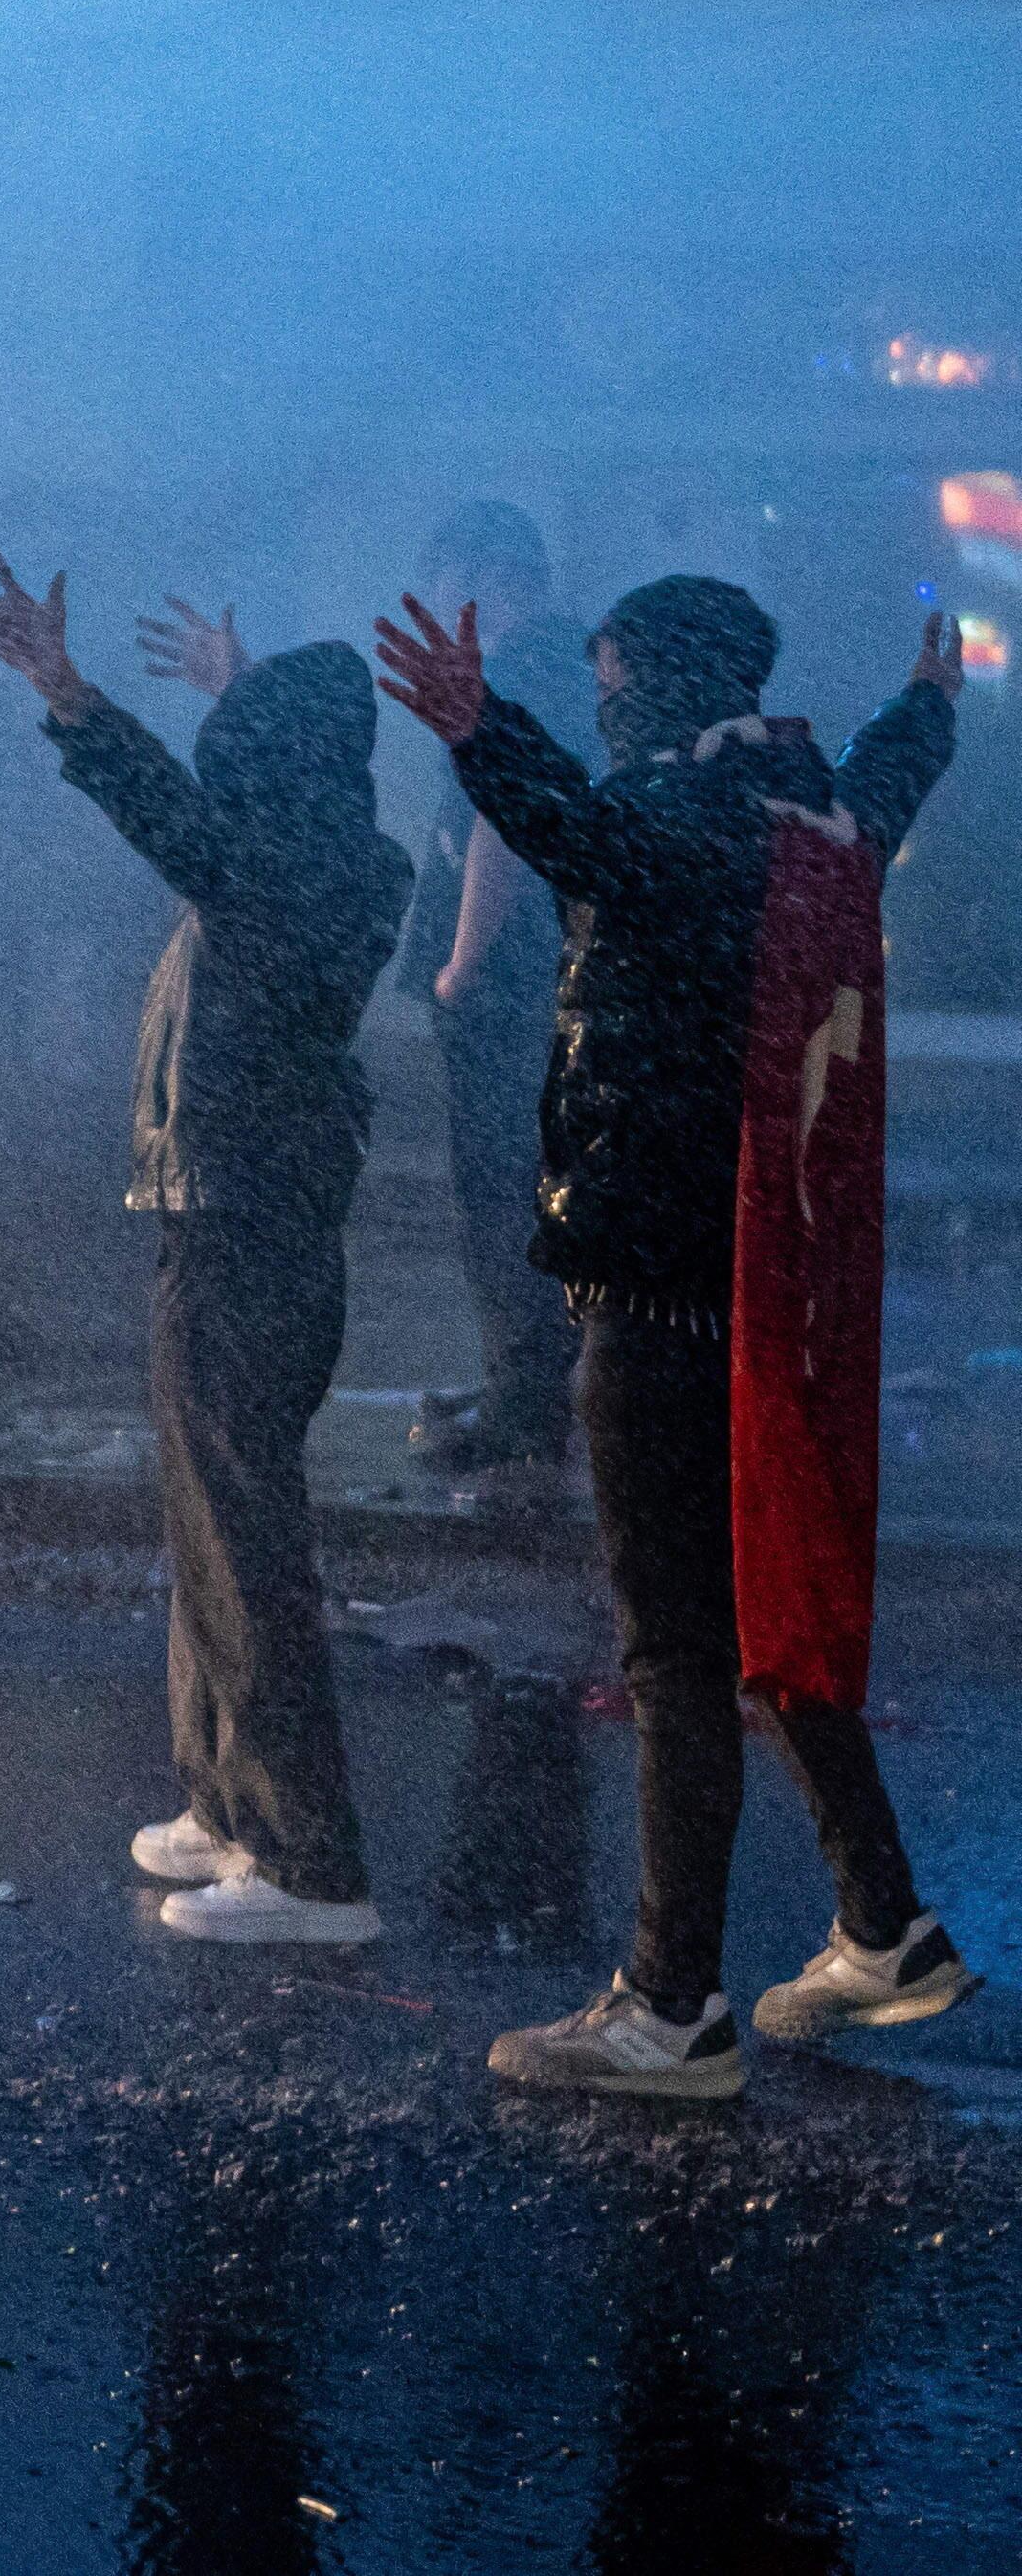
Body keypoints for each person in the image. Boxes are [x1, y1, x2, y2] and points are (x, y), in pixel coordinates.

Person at [378, 578, 980, 2096]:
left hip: (662, 1280)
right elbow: (889, 775)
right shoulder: (811, 803)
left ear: (651, 679)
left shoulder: (694, 820)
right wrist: (929, 709)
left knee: (676, 1651)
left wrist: (479, 735)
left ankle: (672, 2003)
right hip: (771, 1272)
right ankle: (881, 1921)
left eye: (607, 681)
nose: (602, 705)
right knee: (761, 1610)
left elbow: (594, 844)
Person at [0, 553, 408, 1946]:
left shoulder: (291, 868)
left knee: (244, 1531)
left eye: (247, 747)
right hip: (239, 1219)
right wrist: (246, 683)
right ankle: (226, 1803)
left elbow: (174, 820)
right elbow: (225, 812)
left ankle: (311, 1863)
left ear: (276, 765)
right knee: (213, 1521)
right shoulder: (328, 843)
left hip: (246, 1228)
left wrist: (70, 695)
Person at [398, 501, 586, 1480]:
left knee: (501, 1186)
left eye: (440, 580)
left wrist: (459, 964)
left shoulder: (517, 671)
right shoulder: (569, 666)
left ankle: (523, 1403)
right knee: (528, 1181)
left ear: (478, 574)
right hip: (548, 979)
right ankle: (528, 1386)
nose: (433, 605)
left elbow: (499, 822)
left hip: (510, 984)